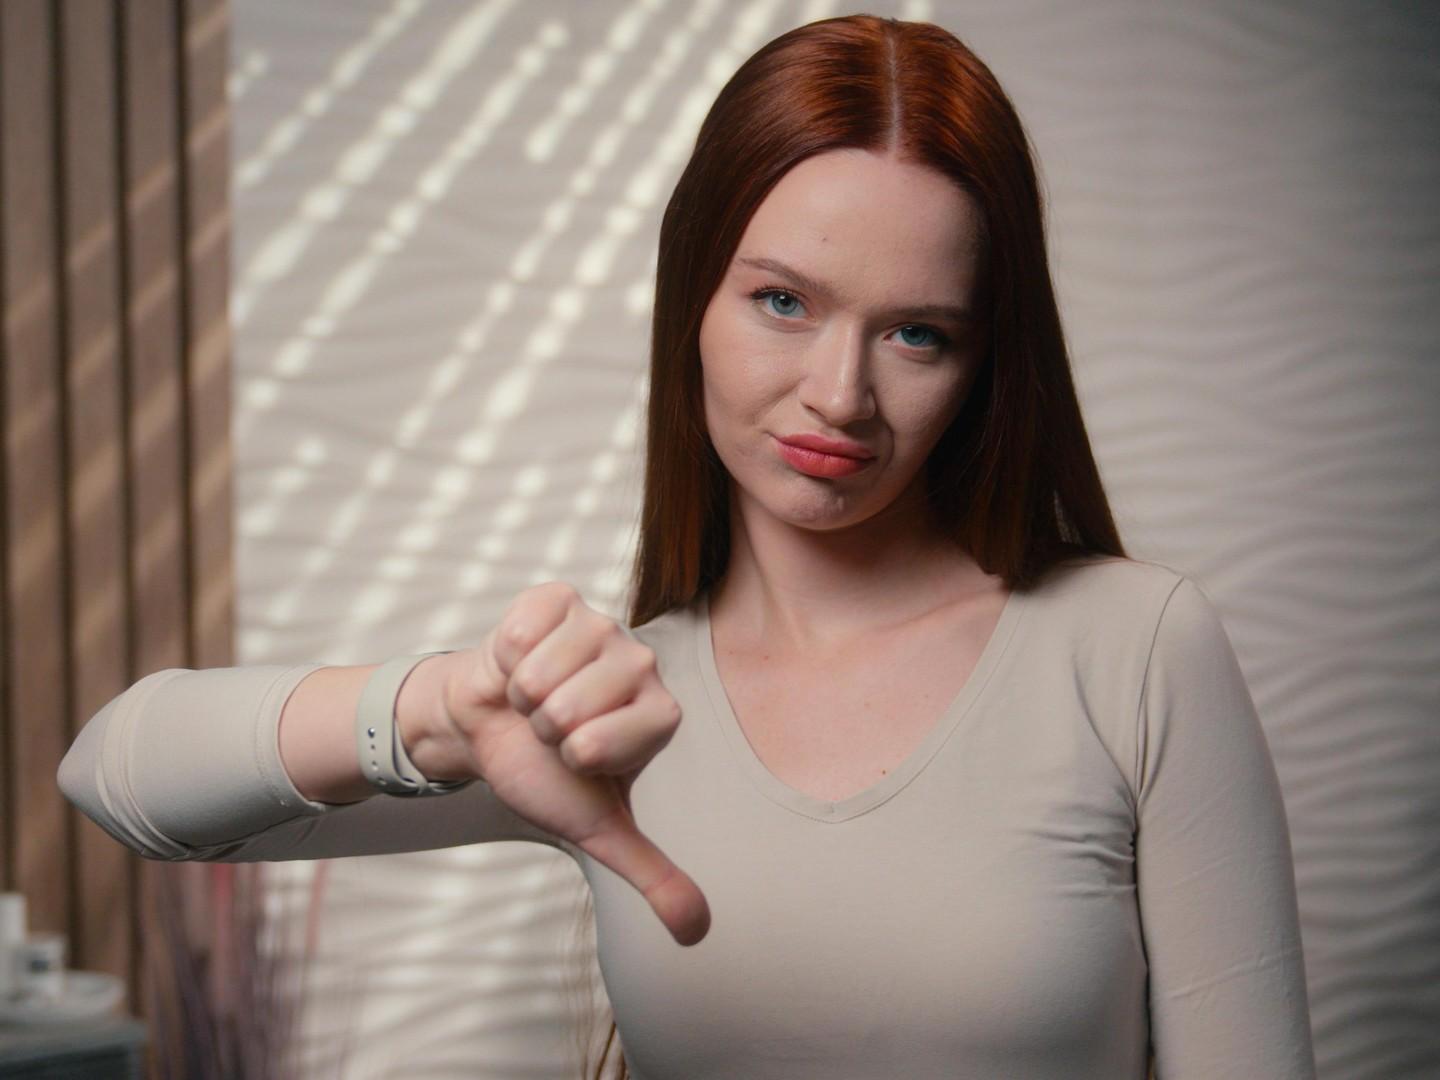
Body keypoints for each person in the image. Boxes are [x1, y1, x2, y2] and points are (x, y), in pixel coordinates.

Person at [58, 13, 1316, 1080]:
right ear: (692, 303)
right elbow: (117, 774)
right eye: (783, 301)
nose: (840, 395)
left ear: (985, 363)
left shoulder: (1130, 650)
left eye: (918, 334)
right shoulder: (607, 714)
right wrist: (434, 712)